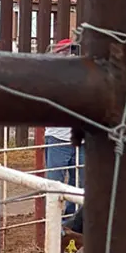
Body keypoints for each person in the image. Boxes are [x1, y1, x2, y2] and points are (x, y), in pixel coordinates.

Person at [45, 39, 84, 216]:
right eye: (64, 52)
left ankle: (72, 222)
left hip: (80, 139)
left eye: (70, 52)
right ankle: (55, 222)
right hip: (57, 138)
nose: (68, 55)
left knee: (81, 184)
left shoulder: (83, 78)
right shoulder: (52, 79)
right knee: (55, 183)